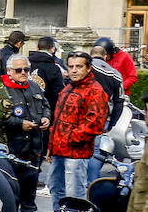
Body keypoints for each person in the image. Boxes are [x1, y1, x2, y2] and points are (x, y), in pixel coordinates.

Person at [47, 51, 109, 201]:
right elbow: (57, 120)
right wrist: (51, 145)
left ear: (88, 69)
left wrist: (71, 138)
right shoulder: (68, 88)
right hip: (59, 150)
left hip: (76, 152)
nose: (74, 70)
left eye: (79, 66)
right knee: (55, 187)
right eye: (71, 66)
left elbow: (95, 123)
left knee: (74, 192)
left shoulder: (95, 90)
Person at [2, 55, 51, 212]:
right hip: (13, 145)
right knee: (9, 185)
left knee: (30, 184)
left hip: (34, 145)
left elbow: (46, 105)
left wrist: (46, 117)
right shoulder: (2, 88)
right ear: (9, 71)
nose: (23, 73)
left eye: (26, 70)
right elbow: (0, 116)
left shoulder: (34, 86)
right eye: (18, 70)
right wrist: (19, 124)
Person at [89, 44, 126, 130]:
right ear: (105, 57)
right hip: (102, 117)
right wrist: (112, 123)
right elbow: (119, 101)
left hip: (82, 115)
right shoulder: (115, 74)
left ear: (90, 55)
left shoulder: (84, 68)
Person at [29, 35, 66, 112]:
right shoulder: (54, 67)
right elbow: (58, 92)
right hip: (48, 108)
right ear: (52, 49)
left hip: (29, 107)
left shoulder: (26, 63)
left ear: (37, 48)